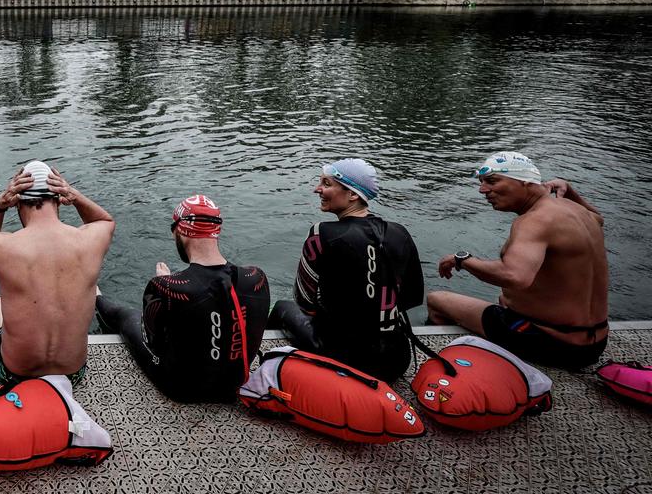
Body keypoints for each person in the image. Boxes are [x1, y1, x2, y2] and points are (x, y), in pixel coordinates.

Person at [427, 152, 609, 370]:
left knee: (436, 300)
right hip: (595, 343)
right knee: (502, 301)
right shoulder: (579, 212)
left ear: (525, 182)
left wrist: (462, 260)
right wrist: (569, 190)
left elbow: (515, 276)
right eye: (482, 182)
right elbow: (599, 219)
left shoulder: (534, 221)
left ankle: (456, 364)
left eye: (492, 181)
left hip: (550, 343)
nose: (483, 190)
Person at [96, 194, 269, 403]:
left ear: (179, 231)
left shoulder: (168, 287)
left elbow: (154, 344)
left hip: (182, 390)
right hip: (237, 383)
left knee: (128, 317)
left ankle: (95, 295)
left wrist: (163, 287)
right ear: (217, 231)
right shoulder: (256, 277)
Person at [269, 159, 423, 381]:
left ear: (352, 194)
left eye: (326, 183)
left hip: (345, 359)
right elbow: (410, 298)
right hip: (397, 360)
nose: (317, 189)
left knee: (282, 307)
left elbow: (304, 302)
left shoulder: (321, 233)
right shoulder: (401, 233)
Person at [0, 161, 115, 386]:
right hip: (73, 375)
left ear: (18, 202)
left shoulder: (3, 246)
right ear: (59, 199)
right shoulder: (90, 240)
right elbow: (104, 221)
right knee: (91, 288)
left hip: (15, 375)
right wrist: (75, 195)